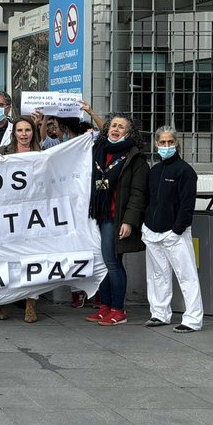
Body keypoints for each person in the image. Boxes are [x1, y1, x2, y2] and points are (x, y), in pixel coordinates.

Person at [86, 114, 149, 327]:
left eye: (121, 127)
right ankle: (104, 306)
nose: (115, 129)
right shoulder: (99, 150)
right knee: (103, 262)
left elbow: (138, 194)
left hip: (116, 218)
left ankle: (118, 309)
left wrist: (129, 221)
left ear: (128, 133)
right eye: (113, 125)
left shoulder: (135, 159)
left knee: (112, 262)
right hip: (98, 215)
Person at [142, 126, 203, 333]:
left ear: (176, 144)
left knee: (186, 276)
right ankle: (159, 313)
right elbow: (149, 200)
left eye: (170, 142)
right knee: (157, 275)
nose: (166, 146)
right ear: (156, 144)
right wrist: (146, 225)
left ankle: (193, 319)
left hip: (174, 233)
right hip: (152, 232)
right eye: (162, 142)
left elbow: (187, 205)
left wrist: (177, 230)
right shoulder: (155, 171)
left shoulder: (185, 171)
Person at [0, 115, 42, 323]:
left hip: (33, 214)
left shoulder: (44, 154)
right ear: (14, 133)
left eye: (28, 130)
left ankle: (31, 303)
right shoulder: (3, 152)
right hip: (6, 213)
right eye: (20, 130)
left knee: (32, 259)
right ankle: (0, 302)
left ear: (33, 132)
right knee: (4, 258)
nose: (24, 134)